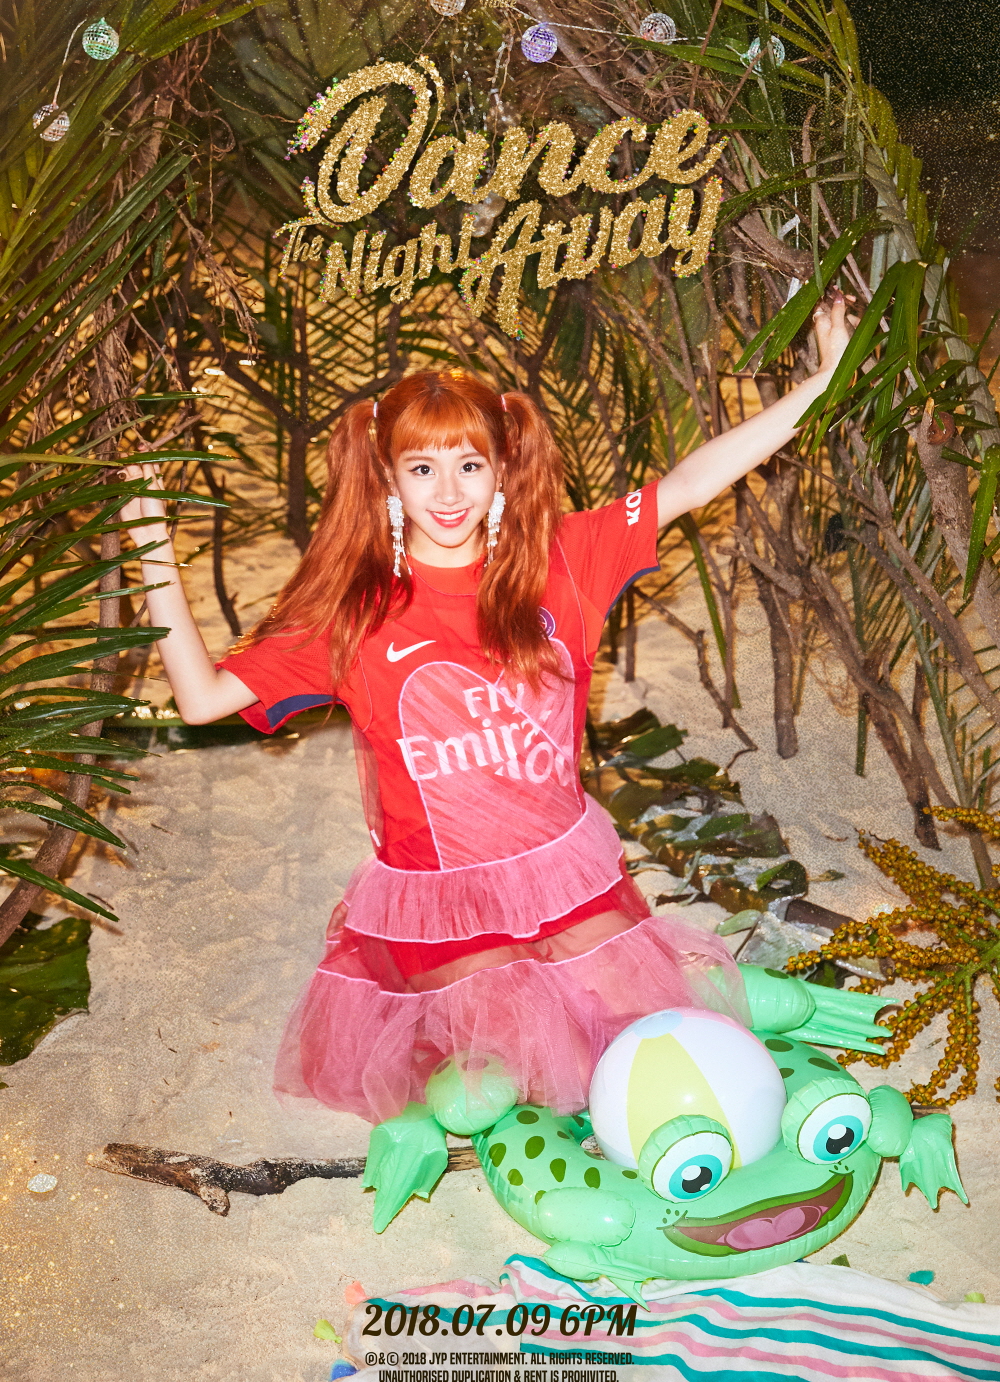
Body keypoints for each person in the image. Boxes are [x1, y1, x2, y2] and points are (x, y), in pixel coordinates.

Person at [120, 291, 853, 1126]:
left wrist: (821, 382)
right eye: (421, 468)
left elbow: (688, 483)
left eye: (469, 465)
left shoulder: (562, 559)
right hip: (443, 906)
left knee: (648, 1034)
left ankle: (727, 997)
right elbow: (201, 698)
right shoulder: (356, 616)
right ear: (387, 477)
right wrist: (146, 532)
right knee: (529, 1066)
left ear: (502, 469)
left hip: (564, 874)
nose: (448, 492)